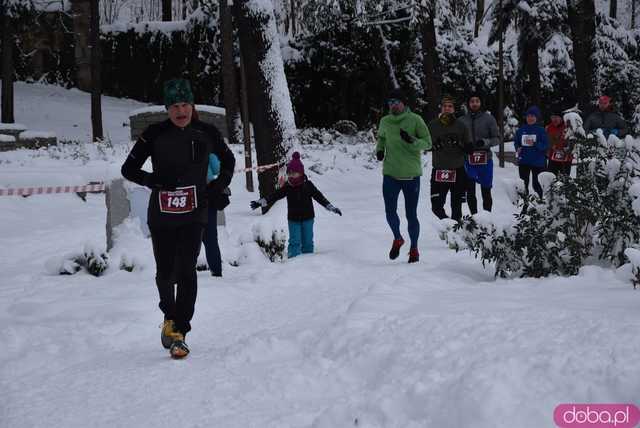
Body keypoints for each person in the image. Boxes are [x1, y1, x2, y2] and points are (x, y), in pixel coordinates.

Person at [121, 78, 236, 359]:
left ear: (192, 105)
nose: (180, 110)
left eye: (185, 104)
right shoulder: (154, 134)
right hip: (162, 216)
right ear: (167, 108)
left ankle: (179, 332)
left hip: (194, 214)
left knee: (186, 270)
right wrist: (153, 180)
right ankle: (169, 317)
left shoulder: (206, 132)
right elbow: (129, 169)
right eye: (174, 106)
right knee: (165, 272)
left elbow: (229, 161)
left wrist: (216, 187)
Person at [375, 88, 432, 263]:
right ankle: (398, 238)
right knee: (389, 212)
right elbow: (382, 138)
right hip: (390, 174)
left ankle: (414, 248)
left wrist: (412, 141)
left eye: (396, 102)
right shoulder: (385, 121)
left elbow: (428, 143)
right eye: (390, 103)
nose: (393, 105)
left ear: (404, 103)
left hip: (411, 175)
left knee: (411, 214)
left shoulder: (415, 120)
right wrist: (379, 150)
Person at [250, 152, 342, 258]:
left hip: (308, 218)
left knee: (307, 241)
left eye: (294, 173)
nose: (291, 175)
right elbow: (275, 195)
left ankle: (309, 262)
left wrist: (330, 207)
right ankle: (293, 263)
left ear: (301, 172)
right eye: (289, 173)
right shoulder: (288, 186)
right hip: (293, 219)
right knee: (294, 242)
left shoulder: (308, 185)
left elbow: (319, 197)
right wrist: (261, 202)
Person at [428, 94, 472, 222]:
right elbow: (424, 145)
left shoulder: (461, 126)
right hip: (439, 170)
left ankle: (455, 234)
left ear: (454, 109)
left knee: (456, 210)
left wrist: (459, 144)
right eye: (445, 106)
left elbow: (470, 149)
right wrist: (433, 146)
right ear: (441, 108)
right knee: (436, 207)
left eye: (450, 106)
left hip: (457, 170)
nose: (447, 108)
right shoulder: (432, 125)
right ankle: (449, 225)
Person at [460, 93, 500, 213]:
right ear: (468, 103)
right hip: (469, 160)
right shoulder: (461, 120)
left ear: (480, 103)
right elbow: (458, 139)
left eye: (477, 101)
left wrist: (484, 142)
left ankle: (487, 219)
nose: (474, 103)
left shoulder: (489, 118)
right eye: (472, 101)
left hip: (485, 160)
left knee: (486, 191)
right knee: (470, 191)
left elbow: (497, 138)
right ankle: (475, 218)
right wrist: (464, 146)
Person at [202, 153, 231, 277]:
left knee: (187, 238)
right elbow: (217, 168)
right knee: (210, 238)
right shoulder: (206, 144)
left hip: (184, 196)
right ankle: (216, 271)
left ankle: (183, 273)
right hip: (207, 194)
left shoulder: (178, 143)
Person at [514, 106, 549, 198]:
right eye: (528, 116)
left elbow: (545, 145)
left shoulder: (541, 130)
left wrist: (535, 143)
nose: (530, 118)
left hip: (538, 162)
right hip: (524, 161)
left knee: (537, 185)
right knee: (523, 184)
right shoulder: (520, 130)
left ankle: (541, 203)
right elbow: (516, 142)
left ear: (536, 118)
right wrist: (518, 148)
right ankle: (525, 205)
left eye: (532, 116)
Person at [546, 109, 572, 176]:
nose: (554, 119)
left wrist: (566, 148)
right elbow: (547, 141)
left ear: (561, 118)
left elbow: (571, 141)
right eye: (552, 117)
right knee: (551, 179)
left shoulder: (567, 126)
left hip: (565, 159)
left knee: (564, 180)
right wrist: (550, 148)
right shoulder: (549, 127)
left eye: (556, 117)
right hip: (553, 158)